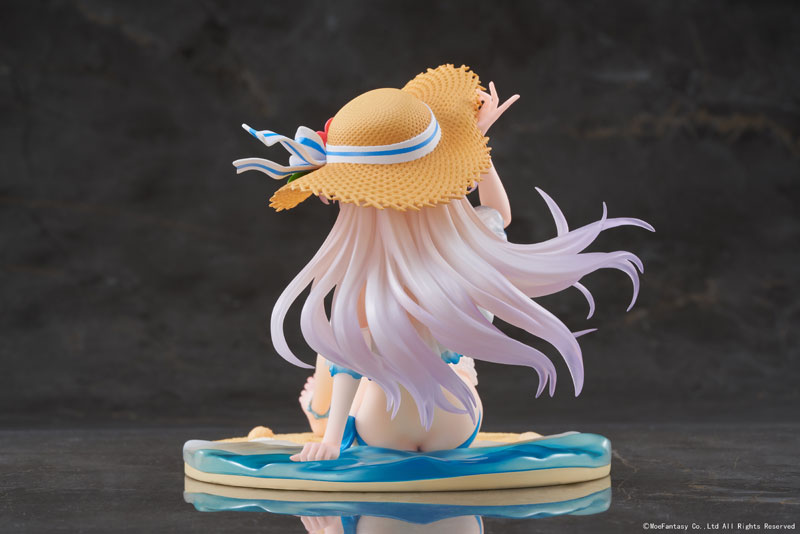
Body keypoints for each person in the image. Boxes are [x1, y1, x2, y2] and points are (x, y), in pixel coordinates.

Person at [234, 65, 652, 463]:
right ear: (445, 175)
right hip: (459, 423)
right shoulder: (469, 246)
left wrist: (329, 441)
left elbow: (348, 362)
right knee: (446, 350)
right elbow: (498, 213)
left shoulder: (368, 273)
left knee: (335, 345)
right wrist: (474, 144)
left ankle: (318, 413)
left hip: (384, 427)